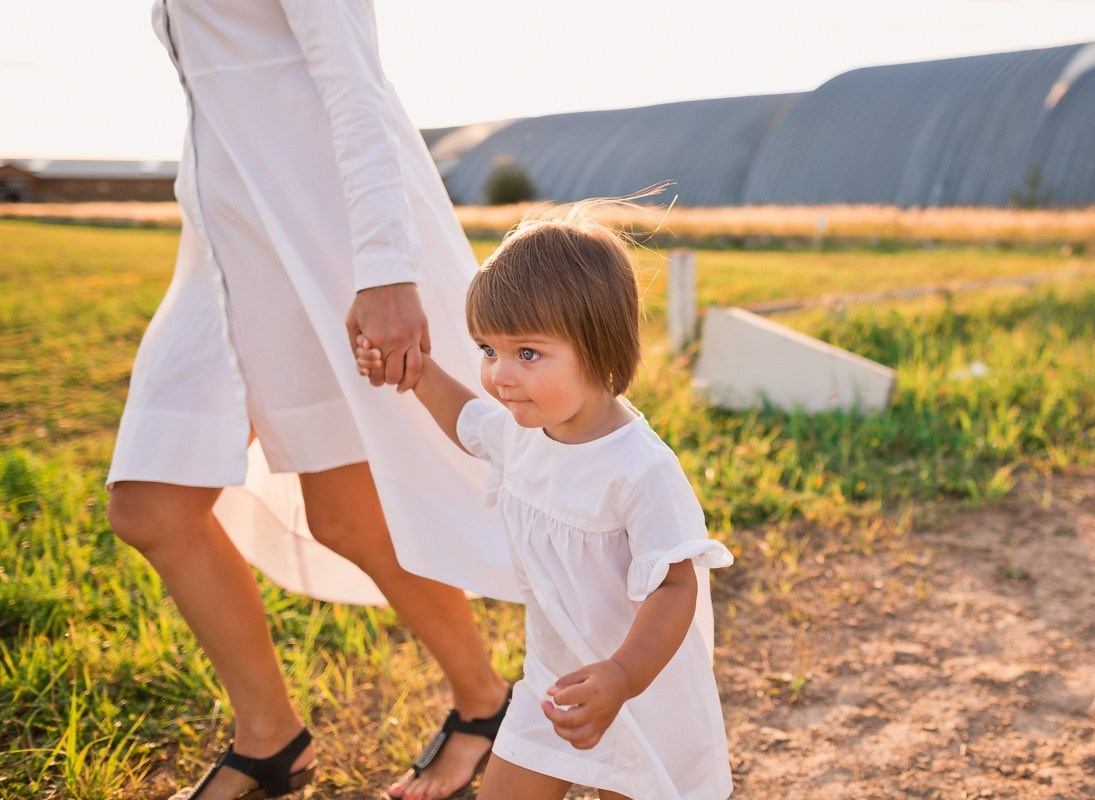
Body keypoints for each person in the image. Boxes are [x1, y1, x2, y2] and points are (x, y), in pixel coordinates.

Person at [105, 2, 520, 799]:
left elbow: (353, 85)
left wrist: (386, 270)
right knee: (149, 506)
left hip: (319, 256)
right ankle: (272, 736)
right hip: (221, 260)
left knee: (345, 515)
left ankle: (485, 704)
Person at [356, 203, 735, 800]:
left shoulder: (640, 470)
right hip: (553, 684)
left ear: (601, 348)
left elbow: (675, 587)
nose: (500, 375)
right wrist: (415, 368)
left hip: (638, 688)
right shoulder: (522, 432)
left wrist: (622, 676)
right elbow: (466, 419)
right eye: (488, 350)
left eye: (526, 354)